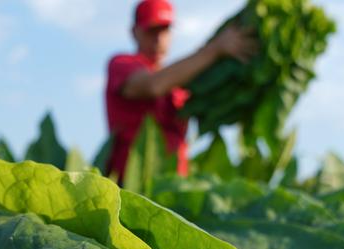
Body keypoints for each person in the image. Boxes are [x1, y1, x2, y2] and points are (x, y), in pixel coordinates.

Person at [104, 0, 258, 181]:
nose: (159, 39)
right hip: (130, 186)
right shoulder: (122, 64)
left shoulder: (179, 79)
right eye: (151, 30)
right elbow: (154, 86)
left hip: (174, 185)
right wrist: (215, 49)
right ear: (134, 32)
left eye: (165, 30)